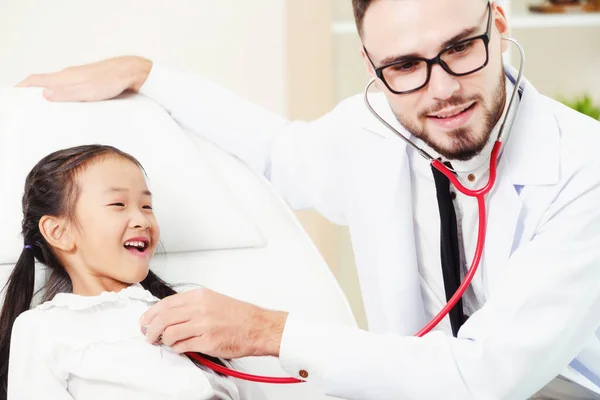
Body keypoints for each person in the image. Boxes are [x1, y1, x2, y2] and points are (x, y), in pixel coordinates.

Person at [16, 0, 600, 398]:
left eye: (462, 48)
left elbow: (489, 377)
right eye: (404, 66)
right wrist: (146, 74)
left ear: (498, 24)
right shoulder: (371, 131)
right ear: (372, 66)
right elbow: (277, 154)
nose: (443, 89)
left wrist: (266, 332)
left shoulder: (584, 169)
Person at [0, 145, 265, 400]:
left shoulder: (188, 304)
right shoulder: (43, 328)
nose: (142, 220)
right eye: (118, 204)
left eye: (147, 206)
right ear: (59, 232)